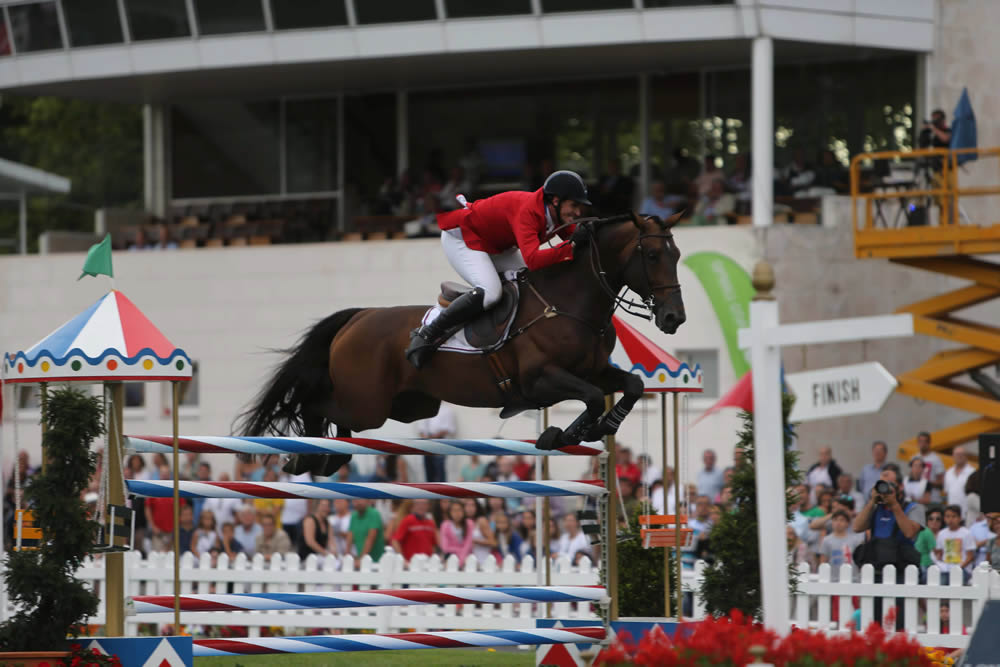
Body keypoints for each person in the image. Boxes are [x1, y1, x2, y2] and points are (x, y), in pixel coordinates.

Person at [405, 170, 590, 367]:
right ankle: (426, 334)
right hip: (463, 238)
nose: (578, 213)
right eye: (574, 206)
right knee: (491, 293)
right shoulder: (529, 210)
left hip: (494, 245)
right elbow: (535, 259)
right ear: (555, 201)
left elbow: (576, 238)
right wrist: (569, 248)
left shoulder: (555, 212)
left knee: (532, 281)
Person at [819, 510, 865, 582]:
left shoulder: (855, 540)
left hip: (853, 579)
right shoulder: (826, 540)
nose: (838, 523)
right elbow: (823, 562)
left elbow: (859, 560)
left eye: (842, 520)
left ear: (847, 523)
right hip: (833, 580)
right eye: (835, 520)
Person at [415, 403, 456, 483]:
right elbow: (421, 428)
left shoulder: (447, 409)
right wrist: (426, 439)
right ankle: (430, 493)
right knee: (428, 471)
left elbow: (449, 429)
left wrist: (432, 438)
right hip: (426, 442)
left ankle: (442, 492)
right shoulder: (424, 408)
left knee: (439, 470)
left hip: (440, 441)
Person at [934, 504, 975, 583]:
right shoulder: (941, 533)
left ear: (960, 518)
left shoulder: (966, 533)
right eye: (948, 516)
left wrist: (958, 567)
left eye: (954, 516)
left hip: (963, 569)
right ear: (944, 518)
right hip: (945, 569)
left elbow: (970, 556)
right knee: (940, 583)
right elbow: (939, 553)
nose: (950, 519)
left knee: (956, 581)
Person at [297, 498, 337, 562]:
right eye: (324, 506)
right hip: (307, 558)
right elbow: (310, 542)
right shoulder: (310, 520)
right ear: (317, 506)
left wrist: (333, 551)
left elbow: (331, 541)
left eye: (328, 506)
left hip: (321, 557)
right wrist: (325, 553)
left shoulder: (327, 523)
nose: (326, 509)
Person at [349, 498, 385, 564]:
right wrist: (347, 556)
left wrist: (361, 559)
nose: (358, 501)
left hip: (377, 562)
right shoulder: (353, 516)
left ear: (368, 500)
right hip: (363, 561)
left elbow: (371, 538)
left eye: (361, 498)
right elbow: (349, 538)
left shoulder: (374, 514)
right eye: (356, 499)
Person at [943, 446, 975, 517]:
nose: (959, 456)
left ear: (966, 456)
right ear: (953, 456)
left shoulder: (972, 472)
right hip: (952, 515)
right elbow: (947, 493)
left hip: (967, 513)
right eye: (957, 454)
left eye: (962, 454)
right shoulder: (948, 472)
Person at [917, 431, 946, 504]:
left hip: (933, 499)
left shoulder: (936, 459)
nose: (922, 444)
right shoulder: (914, 458)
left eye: (925, 441)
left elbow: (941, 482)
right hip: (918, 499)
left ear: (929, 443)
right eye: (920, 441)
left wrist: (926, 483)